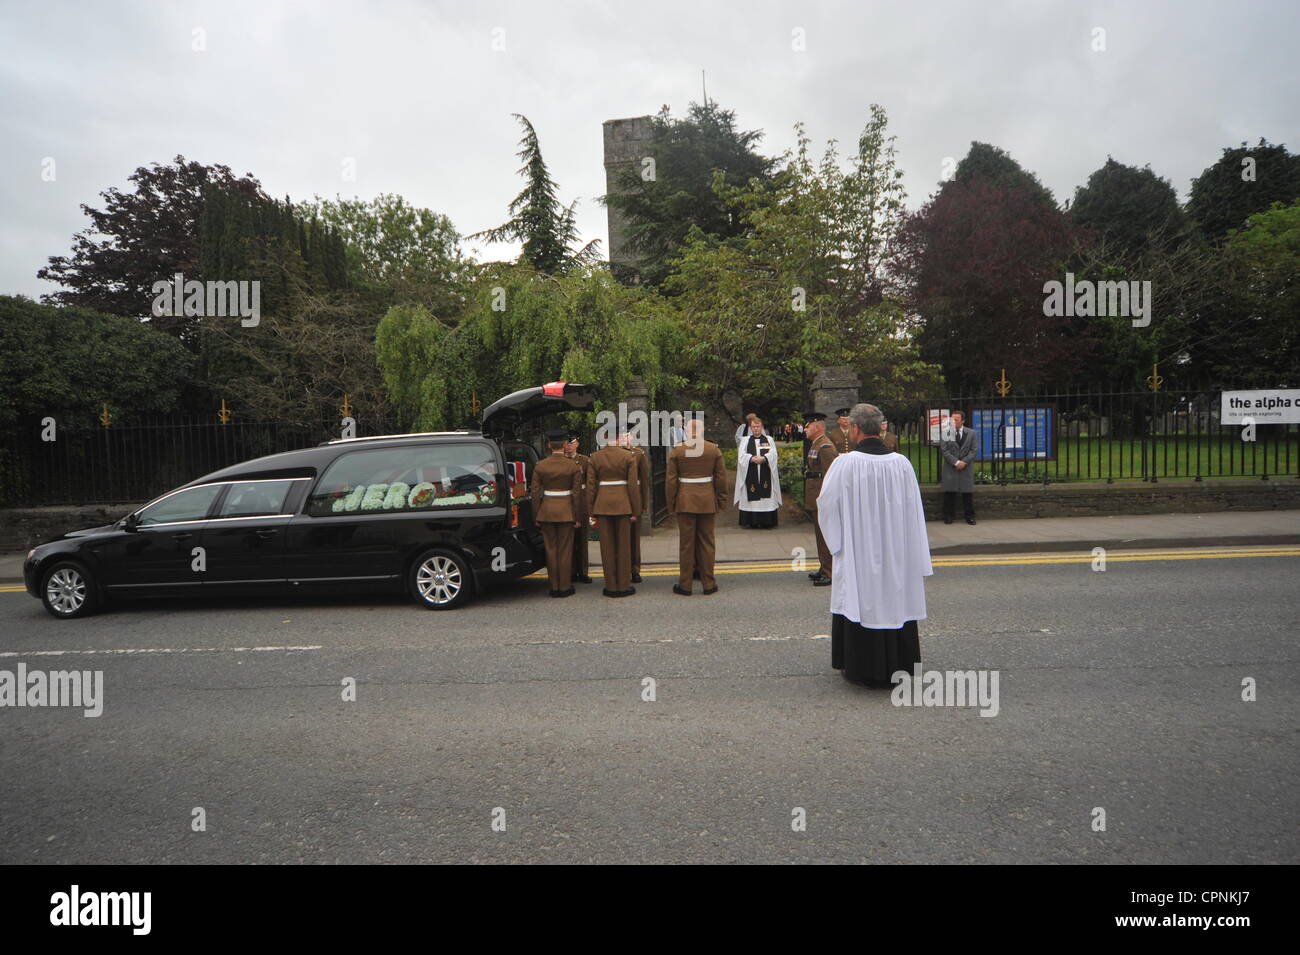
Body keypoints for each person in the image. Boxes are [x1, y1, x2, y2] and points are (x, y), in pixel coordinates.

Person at [818, 403, 933, 687]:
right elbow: (915, 510)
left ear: (855, 429)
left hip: (858, 550)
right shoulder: (902, 464)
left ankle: (863, 668)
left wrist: (838, 545)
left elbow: (827, 506)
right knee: (894, 600)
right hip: (896, 549)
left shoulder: (844, 464)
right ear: (878, 427)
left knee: (861, 601)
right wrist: (914, 549)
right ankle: (899, 665)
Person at [666, 417, 728, 595]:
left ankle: (685, 585)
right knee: (707, 542)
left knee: (686, 544)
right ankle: (709, 583)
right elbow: (721, 478)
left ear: (686, 431)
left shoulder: (678, 451)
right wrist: (721, 500)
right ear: (701, 430)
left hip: (685, 501)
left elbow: (671, 481)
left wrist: (671, 504)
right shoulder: (713, 450)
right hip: (707, 500)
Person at [530, 429, 585, 597]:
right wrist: (577, 516)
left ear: (549, 445)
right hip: (566, 512)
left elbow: (535, 493)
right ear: (563, 445)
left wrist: (536, 515)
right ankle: (565, 586)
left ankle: (553, 586)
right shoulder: (573, 466)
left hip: (546, 512)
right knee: (565, 550)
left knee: (551, 550)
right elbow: (576, 494)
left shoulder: (540, 465)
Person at [586, 431, 641, 597]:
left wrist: (591, 511)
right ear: (618, 438)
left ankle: (610, 586)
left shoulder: (595, 457)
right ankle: (623, 585)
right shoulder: (628, 456)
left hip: (602, 505)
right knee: (624, 546)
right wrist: (635, 510)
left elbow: (590, 487)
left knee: (607, 547)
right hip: (623, 505)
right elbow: (632, 486)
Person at [802, 411, 838, 586]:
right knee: (820, 534)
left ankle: (829, 572)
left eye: (808, 426)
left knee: (825, 536)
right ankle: (824, 567)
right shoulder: (817, 444)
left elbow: (831, 477)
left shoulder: (825, 447)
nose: (805, 429)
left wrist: (827, 500)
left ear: (817, 427)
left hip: (822, 499)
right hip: (815, 497)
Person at [734, 414, 780, 528]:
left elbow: (774, 454)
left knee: (766, 497)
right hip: (751, 471)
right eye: (754, 427)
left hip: (766, 472)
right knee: (751, 496)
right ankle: (751, 522)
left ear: (762, 427)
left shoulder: (769, 439)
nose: (756, 429)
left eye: (758, 426)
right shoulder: (745, 440)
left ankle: (767, 522)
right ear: (750, 427)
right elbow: (741, 456)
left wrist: (765, 458)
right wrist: (751, 458)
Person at [939, 411, 978, 525]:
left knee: (967, 493)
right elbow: (944, 450)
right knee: (949, 493)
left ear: (963, 421)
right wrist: (955, 462)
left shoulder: (971, 433)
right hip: (951, 467)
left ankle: (969, 516)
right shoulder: (946, 433)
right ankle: (948, 515)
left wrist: (964, 462)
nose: (953, 422)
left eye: (956, 420)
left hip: (966, 467)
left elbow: (974, 450)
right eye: (952, 419)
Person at [622, 432, 651, 583]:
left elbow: (645, 479)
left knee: (634, 538)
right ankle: (622, 569)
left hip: (635, 499)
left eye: (628, 435)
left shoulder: (638, 453)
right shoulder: (616, 454)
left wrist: (644, 503)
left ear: (632, 437)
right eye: (623, 434)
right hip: (619, 499)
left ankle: (635, 569)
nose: (626, 438)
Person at [564, 430, 593, 582]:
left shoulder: (584, 460)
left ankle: (583, 572)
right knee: (568, 540)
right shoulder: (561, 460)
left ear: (577, 444)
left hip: (581, 503)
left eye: (572, 443)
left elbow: (590, 483)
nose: (569, 446)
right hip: (566, 502)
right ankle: (570, 571)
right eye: (567, 443)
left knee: (582, 540)